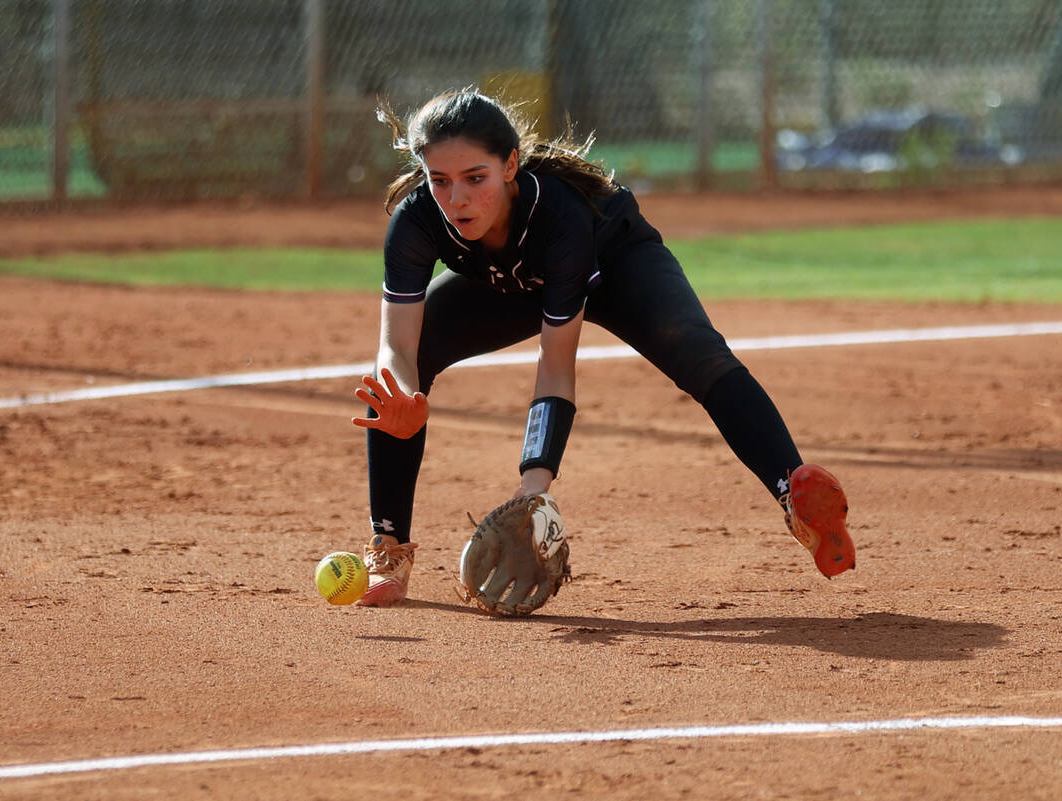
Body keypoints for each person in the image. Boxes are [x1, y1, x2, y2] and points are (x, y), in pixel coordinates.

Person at [349, 89, 854, 607]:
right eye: (440, 180)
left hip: (617, 264)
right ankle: (388, 547)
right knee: (388, 390)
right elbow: (396, 344)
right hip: (515, 282)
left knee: (695, 350)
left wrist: (533, 488)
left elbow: (555, 367)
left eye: (475, 178)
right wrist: (405, 397)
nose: (456, 199)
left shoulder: (558, 214)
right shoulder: (415, 221)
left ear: (510, 166)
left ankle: (795, 496)